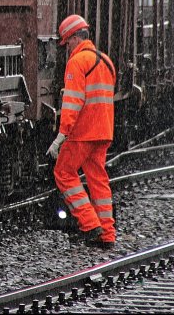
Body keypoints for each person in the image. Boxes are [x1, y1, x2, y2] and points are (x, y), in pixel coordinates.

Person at [46, 14, 116, 248]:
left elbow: (72, 103)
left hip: (83, 132)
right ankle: (107, 234)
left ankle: (89, 224)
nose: (67, 47)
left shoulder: (77, 62)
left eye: (67, 42)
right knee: (98, 181)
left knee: (64, 173)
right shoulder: (106, 61)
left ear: (76, 38)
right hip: (104, 131)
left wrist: (61, 136)